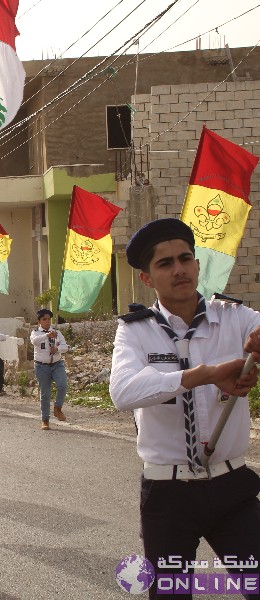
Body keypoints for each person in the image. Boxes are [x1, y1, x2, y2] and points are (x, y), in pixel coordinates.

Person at [110, 218, 260, 599]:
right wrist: (203, 374)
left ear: (197, 265)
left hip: (232, 487)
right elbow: (123, 392)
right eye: (165, 263)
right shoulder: (136, 330)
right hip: (168, 494)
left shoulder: (234, 318)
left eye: (186, 258)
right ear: (147, 278)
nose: (179, 269)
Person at [30, 308, 69, 430]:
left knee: (63, 385)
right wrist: (47, 335)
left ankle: (58, 408)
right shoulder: (36, 332)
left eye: (49, 319)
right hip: (42, 366)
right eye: (44, 319)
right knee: (45, 393)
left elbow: (65, 346)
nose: (47, 322)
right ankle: (45, 419)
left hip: (56, 364)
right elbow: (34, 342)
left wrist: (57, 349)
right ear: (39, 321)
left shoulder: (56, 332)